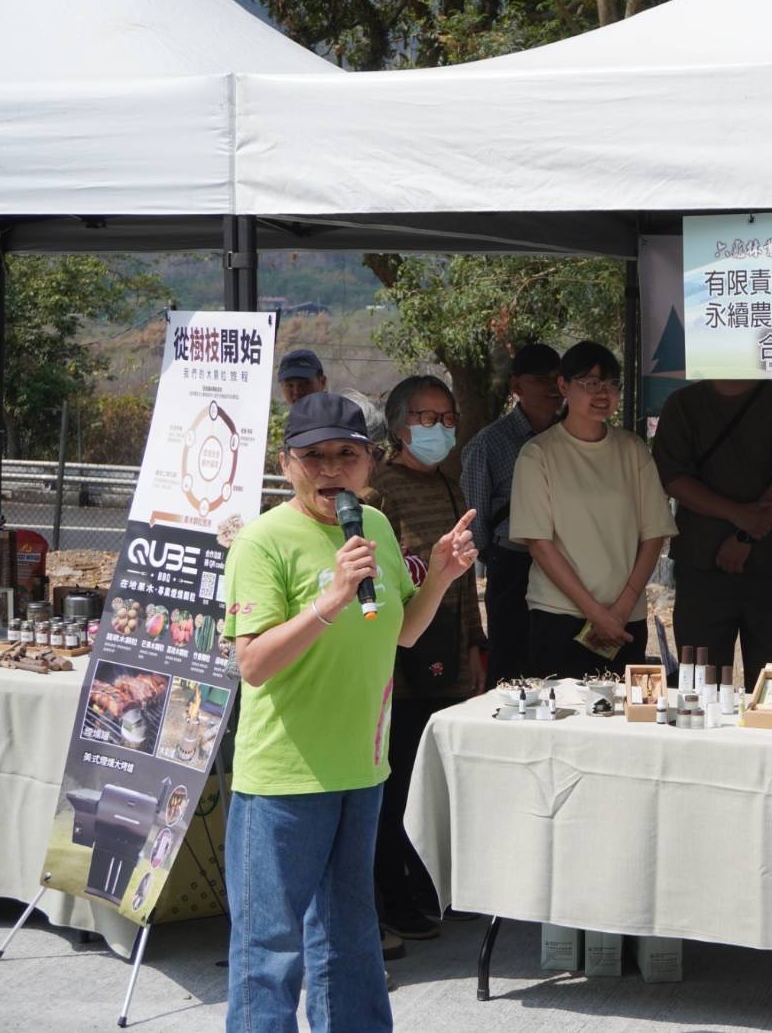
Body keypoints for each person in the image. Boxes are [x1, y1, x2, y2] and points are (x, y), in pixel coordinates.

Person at [221, 392, 477, 1033]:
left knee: (351, 938)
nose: (331, 469)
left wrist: (440, 576)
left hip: (362, 769)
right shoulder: (262, 542)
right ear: (286, 464)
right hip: (284, 777)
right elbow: (253, 663)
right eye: (314, 456)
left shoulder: (376, 528)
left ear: (369, 462)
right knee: (269, 949)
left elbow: (402, 633)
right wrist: (330, 598)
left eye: (347, 454)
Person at [362, 376, 486, 943]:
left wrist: (476, 644)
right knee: (395, 787)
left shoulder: (451, 487)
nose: (439, 428)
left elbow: (461, 580)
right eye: (426, 417)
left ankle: (430, 885)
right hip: (397, 663)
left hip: (450, 658)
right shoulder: (378, 492)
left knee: (433, 781)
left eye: (447, 417)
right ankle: (393, 898)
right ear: (398, 425)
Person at [510, 341, 676, 678]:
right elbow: (540, 544)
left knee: (623, 710)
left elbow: (654, 534)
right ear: (563, 386)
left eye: (611, 384)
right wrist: (596, 614)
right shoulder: (537, 454)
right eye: (590, 383)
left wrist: (623, 608)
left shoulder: (633, 450)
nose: (602, 393)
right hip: (559, 616)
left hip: (625, 619)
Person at [652, 379, 772, 689]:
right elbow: (670, 479)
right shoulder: (683, 403)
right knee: (700, 686)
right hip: (701, 566)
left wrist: (744, 535)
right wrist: (738, 516)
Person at [459, 343, 563, 681]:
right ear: (517, 386)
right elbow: (475, 519)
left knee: (560, 661)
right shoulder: (489, 442)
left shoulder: (576, 437)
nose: (553, 388)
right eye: (541, 379)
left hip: (571, 563)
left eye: (558, 379)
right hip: (514, 564)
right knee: (512, 663)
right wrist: (499, 558)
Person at [278, 348, 387, 447]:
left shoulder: (345, 415)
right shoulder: (292, 423)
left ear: (322, 382)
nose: (297, 391)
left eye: (305, 383)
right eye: (289, 385)